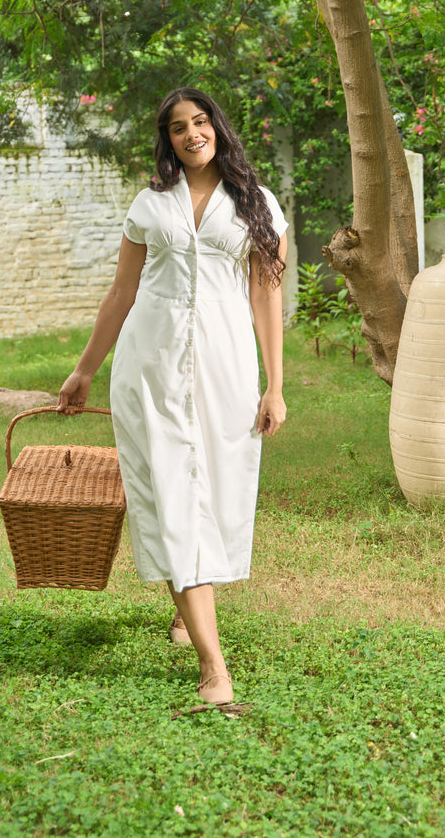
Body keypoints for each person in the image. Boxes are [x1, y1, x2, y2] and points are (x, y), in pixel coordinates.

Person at [57, 87, 288, 706]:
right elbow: (119, 295)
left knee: (211, 489)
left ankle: (190, 610)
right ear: (168, 140)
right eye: (179, 127)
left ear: (218, 128)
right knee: (168, 492)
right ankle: (216, 670)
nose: (193, 134)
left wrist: (276, 384)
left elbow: (267, 297)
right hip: (149, 367)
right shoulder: (150, 204)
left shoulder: (258, 206)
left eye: (202, 121)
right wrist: (83, 371)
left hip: (225, 368)